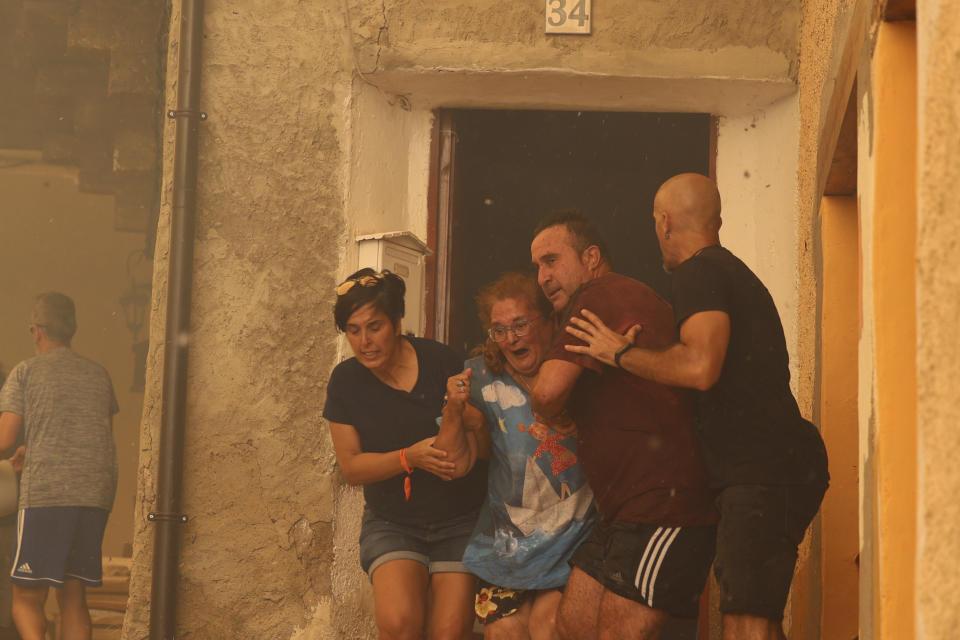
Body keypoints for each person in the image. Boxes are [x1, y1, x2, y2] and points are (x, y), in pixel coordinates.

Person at [563, 173, 830, 640]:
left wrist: (619, 354)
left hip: (763, 470)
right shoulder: (727, 271)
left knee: (746, 622)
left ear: (664, 222)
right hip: (774, 467)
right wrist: (639, 362)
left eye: (653, 221)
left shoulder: (699, 271)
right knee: (758, 617)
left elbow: (701, 366)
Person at [528, 211, 717, 640]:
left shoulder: (601, 292)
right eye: (537, 265)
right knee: (572, 628)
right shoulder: (613, 296)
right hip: (623, 512)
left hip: (664, 506)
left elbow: (546, 391)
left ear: (591, 257)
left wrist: (554, 415)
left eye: (552, 260)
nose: (542, 277)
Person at [322, 268, 488, 640]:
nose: (365, 341)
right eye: (353, 330)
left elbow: (483, 448)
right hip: (393, 522)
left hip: (458, 519)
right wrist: (407, 458)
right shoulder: (345, 382)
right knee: (399, 624)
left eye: (375, 326)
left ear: (397, 322)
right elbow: (352, 467)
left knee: (450, 631)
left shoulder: (441, 362)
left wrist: (471, 421)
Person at [438, 272, 595, 640]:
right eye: (499, 330)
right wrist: (453, 412)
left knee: (549, 627)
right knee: (504, 632)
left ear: (550, 320)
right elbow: (453, 463)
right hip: (506, 550)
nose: (510, 338)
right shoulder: (479, 376)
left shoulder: (576, 368)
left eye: (520, 325)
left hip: (575, 543)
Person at [0, 292, 119, 640]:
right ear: (74, 329)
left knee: (25, 598)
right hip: (93, 497)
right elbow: (99, 438)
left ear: (36, 331)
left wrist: (24, 448)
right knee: (73, 597)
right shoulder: (99, 374)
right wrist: (32, 447)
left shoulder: (25, 372)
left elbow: (4, 438)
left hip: (47, 497)